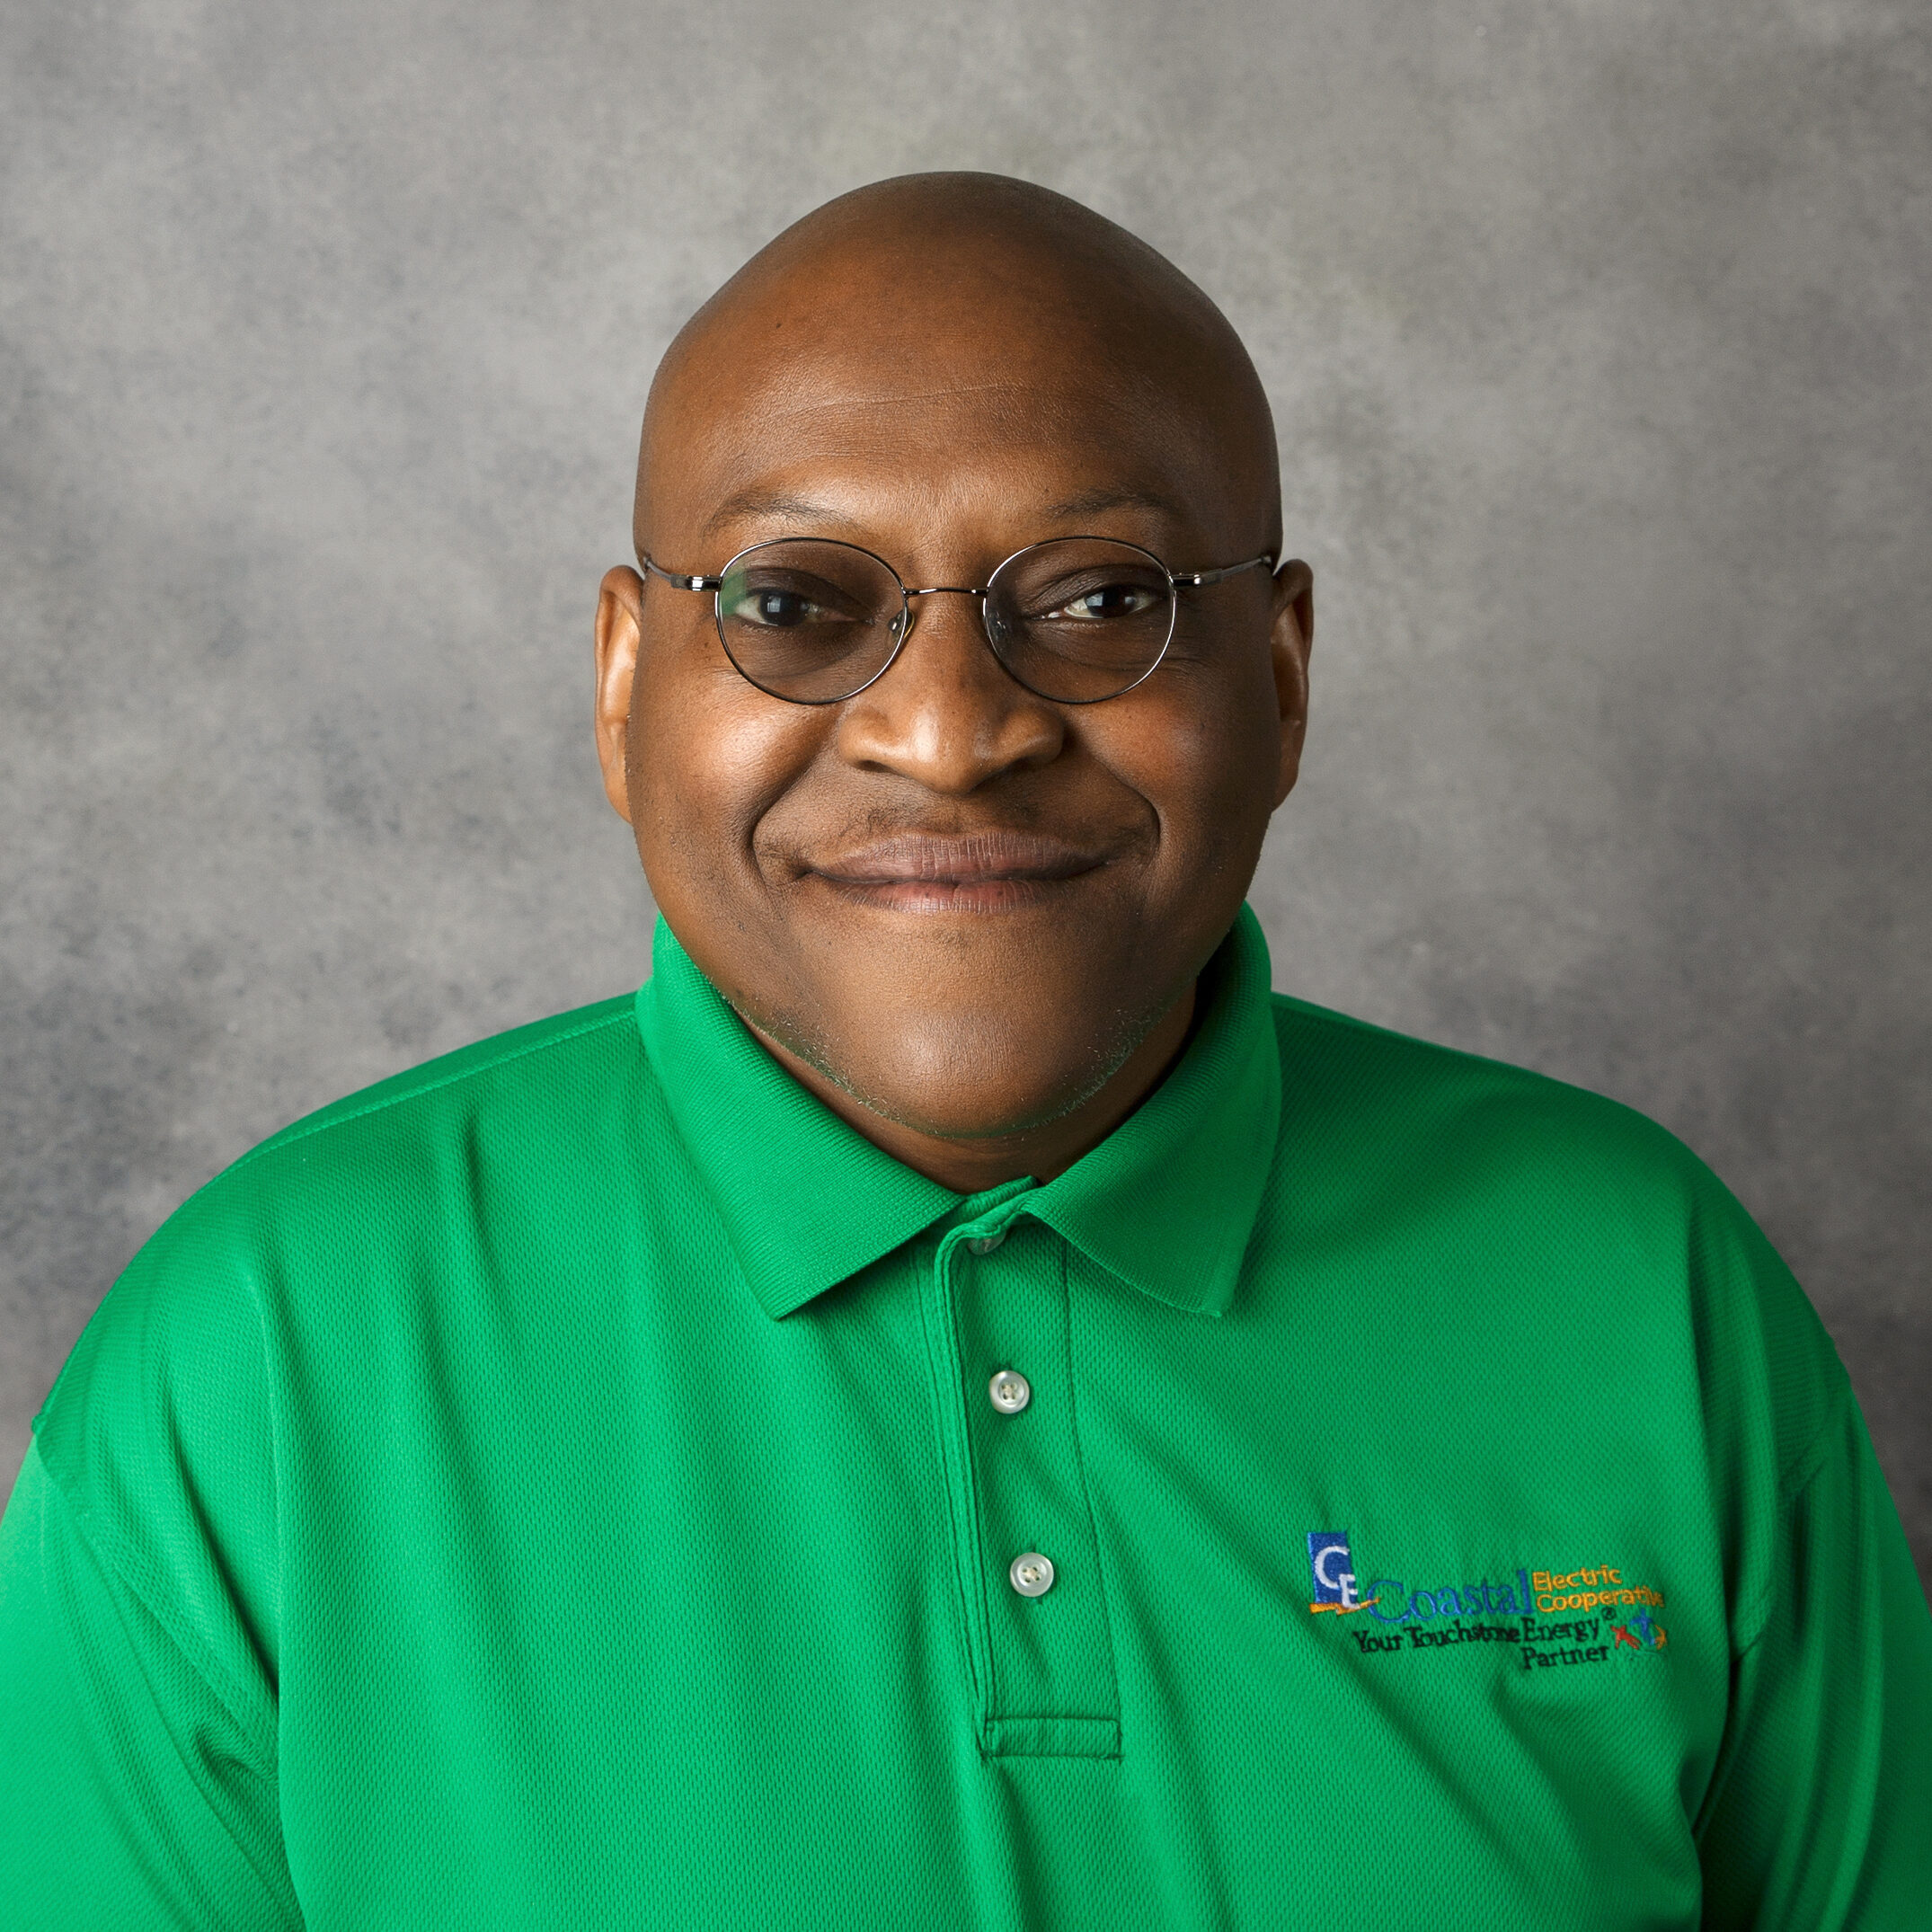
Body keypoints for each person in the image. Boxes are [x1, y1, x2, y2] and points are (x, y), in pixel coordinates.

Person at [1, 172, 1926, 1928]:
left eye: (1098, 601)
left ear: (1275, 677)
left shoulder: (1639, 1286)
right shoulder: (253, 1367)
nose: (945, 729)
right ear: (619, 683)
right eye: (793, 605)